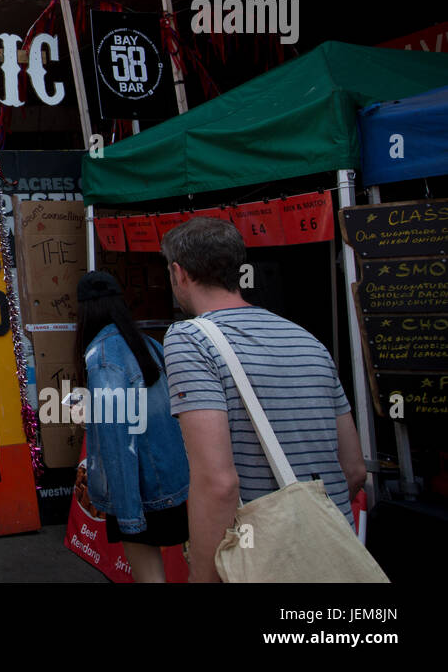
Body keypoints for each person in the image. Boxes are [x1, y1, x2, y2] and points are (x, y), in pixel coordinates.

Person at [160, 218, 367, 583]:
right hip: (335, 550)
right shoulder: (306, 339)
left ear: (179, 273)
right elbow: (353, 470)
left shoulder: (189, 339)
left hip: (262, 559)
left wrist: (203, 575)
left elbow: (218, 482)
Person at [74, 271, 189, 583]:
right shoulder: (150, 344)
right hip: (173, 482)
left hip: (139, 491)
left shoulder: (102, 356)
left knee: (149, 577)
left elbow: (116, 444)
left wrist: (128, 516)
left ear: (84, 312)